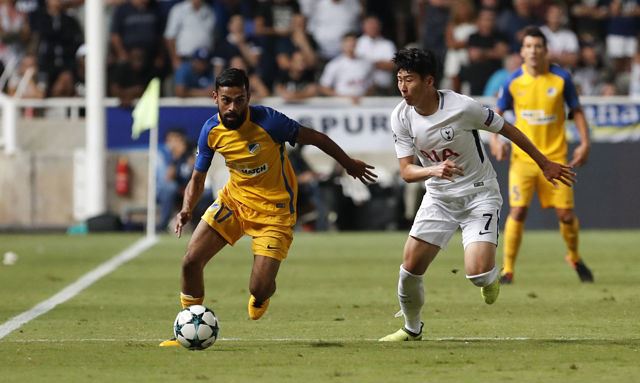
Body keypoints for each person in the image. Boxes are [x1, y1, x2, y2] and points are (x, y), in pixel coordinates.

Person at [159, 68, 377, 346]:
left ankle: (262, 294)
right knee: (191, 261)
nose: (233, 107)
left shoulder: (270, 122)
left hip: (275, 211)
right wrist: (187, 208)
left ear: (248, 97)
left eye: (239, 100)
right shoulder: (210, 130)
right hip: (234, 202)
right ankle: (187, 326)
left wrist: (349, 165)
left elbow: (317, 138)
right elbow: (197, 177)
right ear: (215, 97)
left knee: (258, 288)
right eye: (226, 100)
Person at [379, 48, 575, 342]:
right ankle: (411, 328)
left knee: (477, 274)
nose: (403, 87)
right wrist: (433, 171)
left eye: (409, 80)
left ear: (429, 81)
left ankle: (489, 278)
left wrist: (544, 162)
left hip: (479, 195)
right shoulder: (401, 116)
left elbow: (508, 128)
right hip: (439, 199)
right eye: (399, 79)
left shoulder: (462, 107)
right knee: (409, 270)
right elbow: (407, 172)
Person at [489, 26, 593, 285]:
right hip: (523, 160)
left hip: (556, 157)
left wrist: (585, 142)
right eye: (529, 46)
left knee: (566, 215)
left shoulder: (561, 79)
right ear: (522, 52)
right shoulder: (512, 81)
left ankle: (574, 257)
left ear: (546, 51)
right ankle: (508, 270)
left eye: (538, 46)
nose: (533, 51)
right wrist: (495, 139)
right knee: (518, 211)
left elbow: (576, 111)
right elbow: (496, 114)